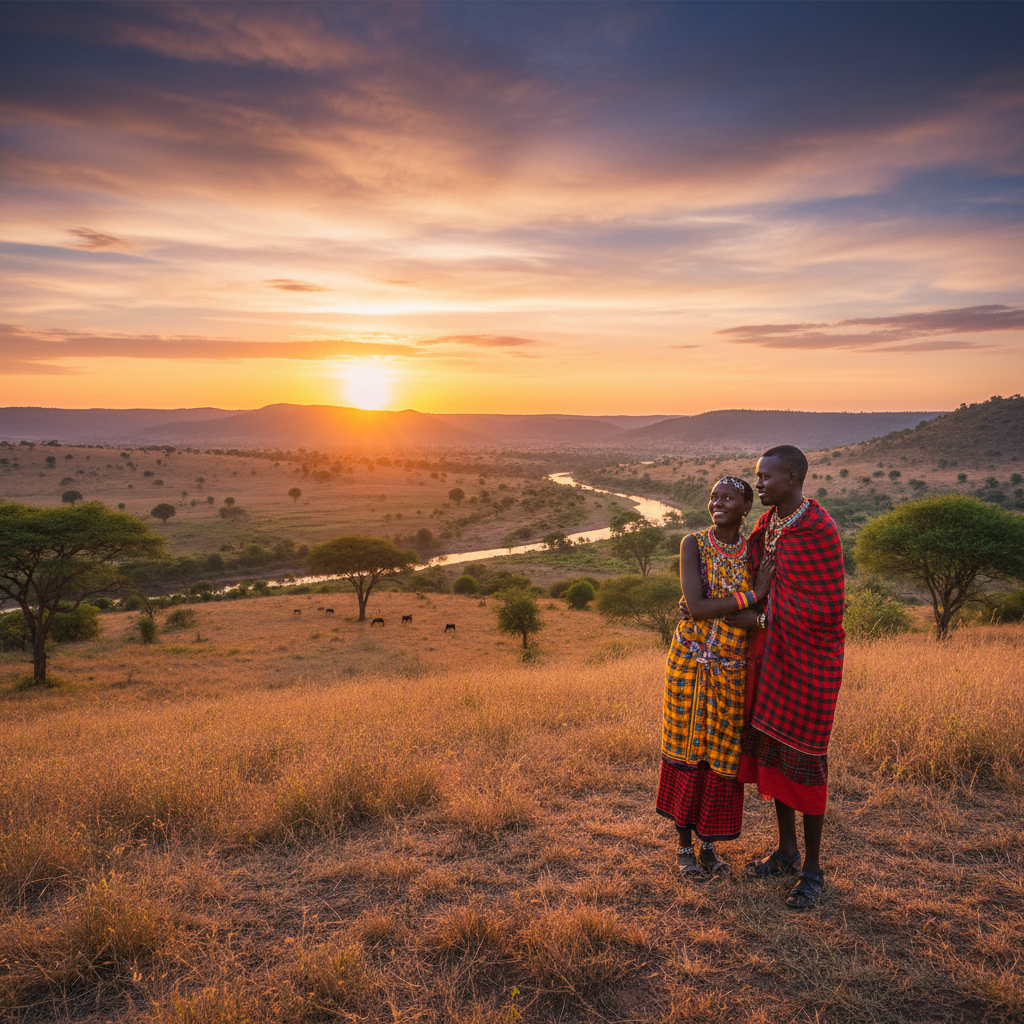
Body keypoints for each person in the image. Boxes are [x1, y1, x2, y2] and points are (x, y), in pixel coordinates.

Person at [730, 444, 845, 910]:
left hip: (809, 663)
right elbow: (755, 582)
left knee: (807, 760)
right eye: (757, 478)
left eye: (765, 478)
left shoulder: (818, 529)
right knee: (776, 756)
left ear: (794, 476)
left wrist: (758, 621)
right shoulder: (769, 524)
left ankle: (813, 870)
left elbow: (825, 609)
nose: (758, 485)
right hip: (771, 660)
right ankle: (785, 851)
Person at [656, 476, 775, 880]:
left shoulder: (755, 551)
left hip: (733, 668)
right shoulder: (694, 544)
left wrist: (755, 611)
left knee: (721, 752)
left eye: (728, 498)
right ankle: (683, 848)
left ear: (746, 507)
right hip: (690, 663)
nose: (718, 503)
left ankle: (708, 845)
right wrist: (752, 595)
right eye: (713, 497)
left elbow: (756, 607)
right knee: (688, 746)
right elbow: (696, 605)